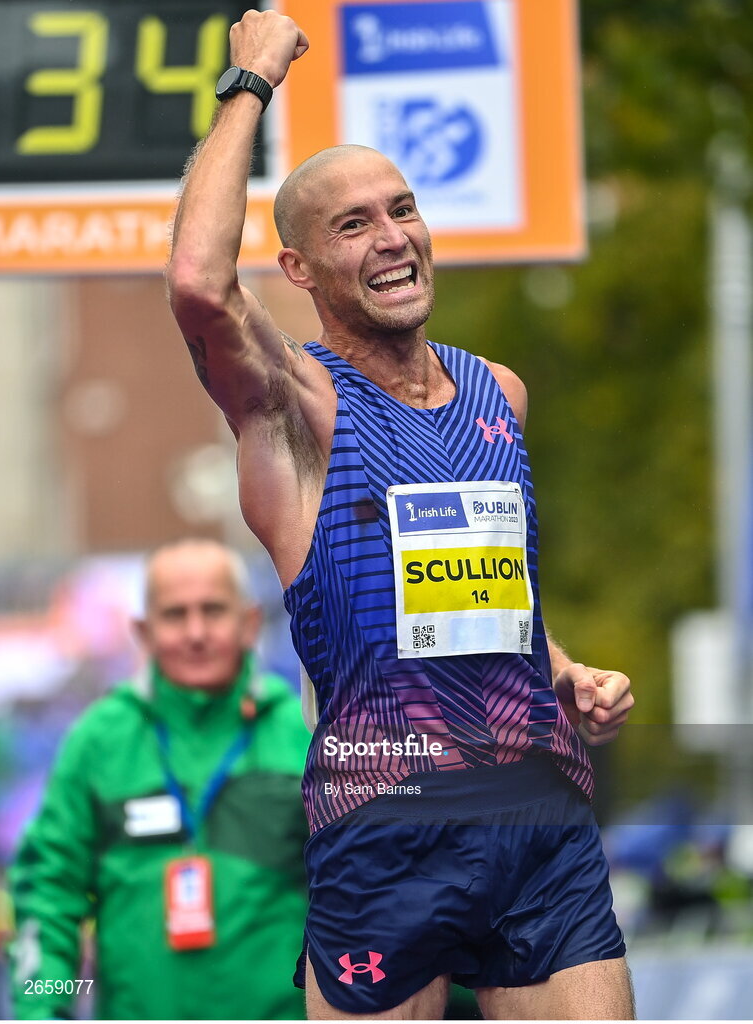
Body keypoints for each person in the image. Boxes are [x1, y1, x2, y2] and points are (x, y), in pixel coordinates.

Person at [165, 11, 637, 1019]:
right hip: (384, 821)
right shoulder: (297, 410)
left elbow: (490, 595)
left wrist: (566, 669)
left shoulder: (497, 394)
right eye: (351, 225)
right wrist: (247, 82)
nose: (390, 239)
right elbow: (200, 289)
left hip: (536, 816)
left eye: (401, 209)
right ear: (297, 269)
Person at [9, 538, 309, 1020]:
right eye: (175, 614)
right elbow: (51, 890)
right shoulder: (98, 740)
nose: (195, 632)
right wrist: (43, 1006)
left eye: (213, 610)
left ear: (250, 623)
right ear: (144, 632)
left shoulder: (302, 732)